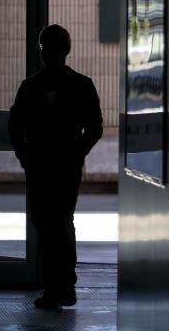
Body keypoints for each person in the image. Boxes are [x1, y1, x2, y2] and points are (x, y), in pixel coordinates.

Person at [8, 24, 103, 310]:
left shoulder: (31, 86)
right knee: (63, 222)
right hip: (67, 166)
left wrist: (24, 155)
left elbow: (15, 125)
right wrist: (77, 153)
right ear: (67, 50)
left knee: (45, 225)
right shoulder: (82, 85)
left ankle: (53, 288)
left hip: (39, 165)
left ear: (42, 51)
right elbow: (95, 128)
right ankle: (65, 286)